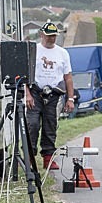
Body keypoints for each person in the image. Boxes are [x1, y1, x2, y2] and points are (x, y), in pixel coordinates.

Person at [25, 21, 74, 170]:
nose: (51, 38)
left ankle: (48, 158)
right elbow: (24, 74)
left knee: (50, 126)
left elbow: (68, 77)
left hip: (53, 94)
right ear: (41, 35)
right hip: (35, 93)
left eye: (54, 36)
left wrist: (70, 99)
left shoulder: (62, 53)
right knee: (32, 125)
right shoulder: (34, 50)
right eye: (49, 35)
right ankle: (29, 158)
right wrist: (27, 94)